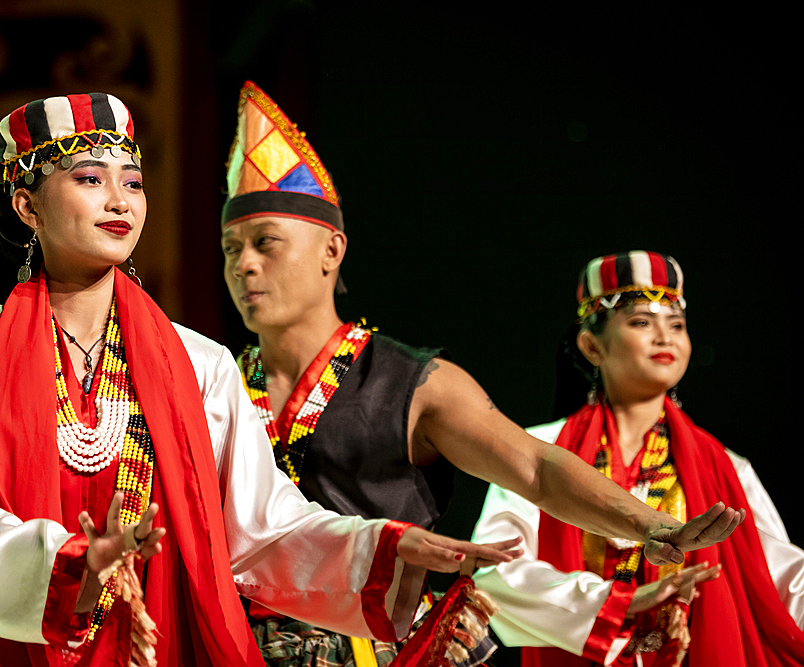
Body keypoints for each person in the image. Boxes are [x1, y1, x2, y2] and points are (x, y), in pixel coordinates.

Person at [0, 93, 528, 667]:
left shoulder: (199, 362)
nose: (120, 201)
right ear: (27, 205)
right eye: (90, 180)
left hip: (162, 641)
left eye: (132, 183)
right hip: (23, 643)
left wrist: (384, 550)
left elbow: (262, 528)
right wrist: (69, 564)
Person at [218, 81, 745, 667]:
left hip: (379, 650)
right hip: (235, 646)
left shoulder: (413, 384)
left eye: (265, 242)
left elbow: (536, 467)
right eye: (229, 248)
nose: (244, 265)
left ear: (331, 250)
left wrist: (649, 525)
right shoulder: (215, 382)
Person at [471, 250, 804, 666]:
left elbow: (781, 577)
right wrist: (610, 603)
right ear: (592, 345)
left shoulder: (723, 465)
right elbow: (495, 568)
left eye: (676, 325)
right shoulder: (540, 449)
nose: (664, 337)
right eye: (641, 322)